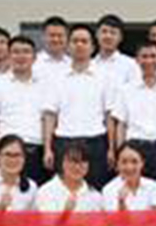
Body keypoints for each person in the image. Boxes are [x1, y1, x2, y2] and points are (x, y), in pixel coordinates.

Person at [42, 23, 116, 189]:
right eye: (75, 41)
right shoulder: (56, 77)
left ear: (93, 47)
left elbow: (109, 115)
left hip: (96, 141)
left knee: (95, 190)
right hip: (64, 141)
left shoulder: (106, 77)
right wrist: (47, 149)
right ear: (68, 46)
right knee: (64, 190)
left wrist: (111, 148)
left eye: (84, 41)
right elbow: (50, 115)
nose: (79, 45)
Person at [0, 36, 50, 184]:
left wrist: (48, 149)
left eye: (26, 52)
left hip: (35, 150)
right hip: (6, 150)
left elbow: (47, 118)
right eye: (16, 52)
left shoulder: (45, 84)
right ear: (9, 56)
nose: (21, 56)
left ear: (34, 57)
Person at [113, 41, 156, 179]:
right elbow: (121, 125)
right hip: (135, 148)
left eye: (153, 56)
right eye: (144, 56)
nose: (149, 61)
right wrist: (120, 154)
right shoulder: (125, 90)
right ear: (137, 60)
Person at [35, 140, 103, 212]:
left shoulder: (95, 196)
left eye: (82, 162)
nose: (77, 167)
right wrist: (66, 212)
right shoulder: (46, 191)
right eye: (73, 161)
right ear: (62, 163)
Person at [102, 142, 156, 211]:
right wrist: (121, 204)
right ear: (117, 164)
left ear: (142, 163)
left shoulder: (153, 187)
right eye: (124, 162)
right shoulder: (109, 190)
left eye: (134, 162)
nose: (129, 167)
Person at [92, 14, 138, 86]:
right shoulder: (90, 65)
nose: (108, 36)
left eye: (113, 33)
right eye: (104, 31)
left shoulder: (131, 65)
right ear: (97, 35)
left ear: (121, 38)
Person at [33, 16, 71, 82]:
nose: (56, 39)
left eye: (60, 35)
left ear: (67, 37)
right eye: (52, 35)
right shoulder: (33, 63)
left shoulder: (73, 64)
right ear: (43, 37)